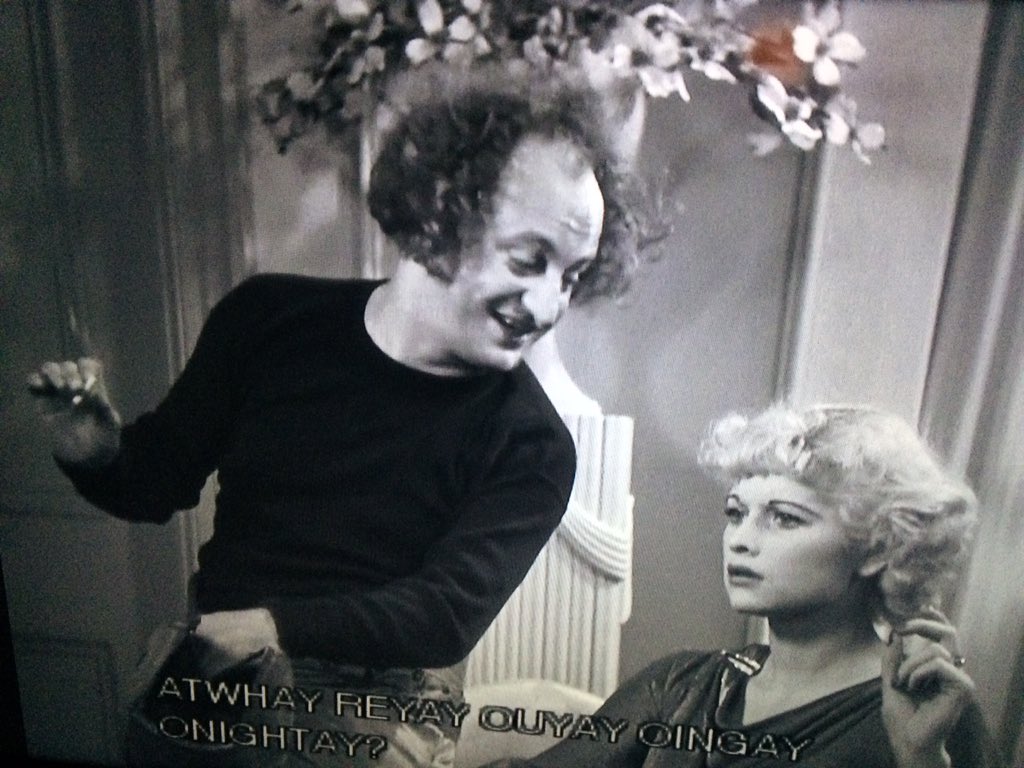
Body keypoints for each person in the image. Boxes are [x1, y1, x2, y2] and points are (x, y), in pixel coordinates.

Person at [26, 72, 643, 768]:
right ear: (442, 209)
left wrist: (275, 625)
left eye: (571, 275)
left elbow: (442, 616)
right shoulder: (266, 319)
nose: (548, 304)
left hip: (383, 697)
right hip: (223, 664)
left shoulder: (534, 443)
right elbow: (153, 482)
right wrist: (95, 452)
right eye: (529, 260)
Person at [492, 404, 1003, 768]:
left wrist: (921, 761)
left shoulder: (929, 714)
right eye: (735, 514)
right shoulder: (683, 685)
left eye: (784, 518)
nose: (740, 540)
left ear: (875, 549)